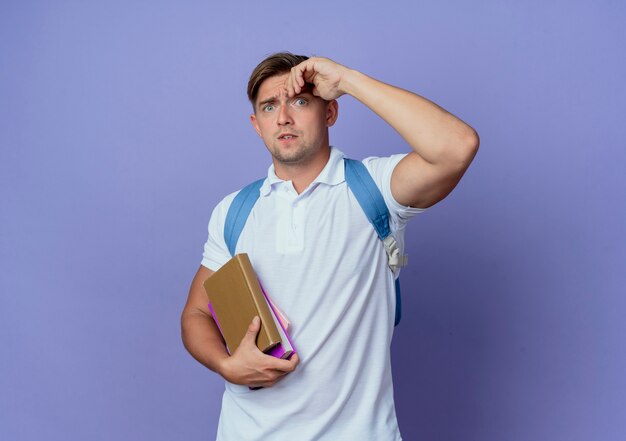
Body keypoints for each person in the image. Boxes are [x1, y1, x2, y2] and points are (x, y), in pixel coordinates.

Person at [181, 52, 479, 441]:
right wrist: (226, 364)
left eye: (300, 101)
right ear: (256, 125)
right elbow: (196, 315)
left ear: (331, 112)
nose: (283, 117)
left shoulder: (375, 188)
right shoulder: (233, 211)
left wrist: (348, 79)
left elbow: (457, 146)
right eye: (270, 107)